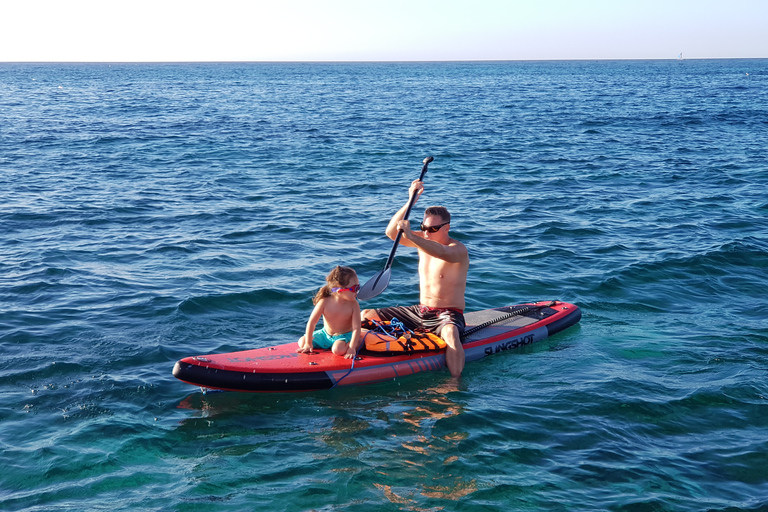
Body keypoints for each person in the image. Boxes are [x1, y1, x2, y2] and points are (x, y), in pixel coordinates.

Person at [362, 180, 469, 377]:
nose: (427, 233)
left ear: (447, 228)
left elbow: (440, 252)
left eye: (433, 229)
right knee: (366, 315)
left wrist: (411, 234)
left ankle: (454, 386)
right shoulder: (423, 240)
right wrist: (411, 199)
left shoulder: (458, 250)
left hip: (447, 314)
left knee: (451, 336)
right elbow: (391, 232)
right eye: (424, 227)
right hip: (420, 311)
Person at [298, 266, 362, 359]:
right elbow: (312, 322)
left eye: (358, 287)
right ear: (340, 290)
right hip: (325, 334)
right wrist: (308, 343)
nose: (357, 291)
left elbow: (357, 328)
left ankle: (358, 342)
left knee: (338, 350)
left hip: (344, 336)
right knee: (302, 342)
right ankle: (325, 344)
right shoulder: (324, 302)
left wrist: (352, 348)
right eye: (355, 288)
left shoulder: (353, 304)